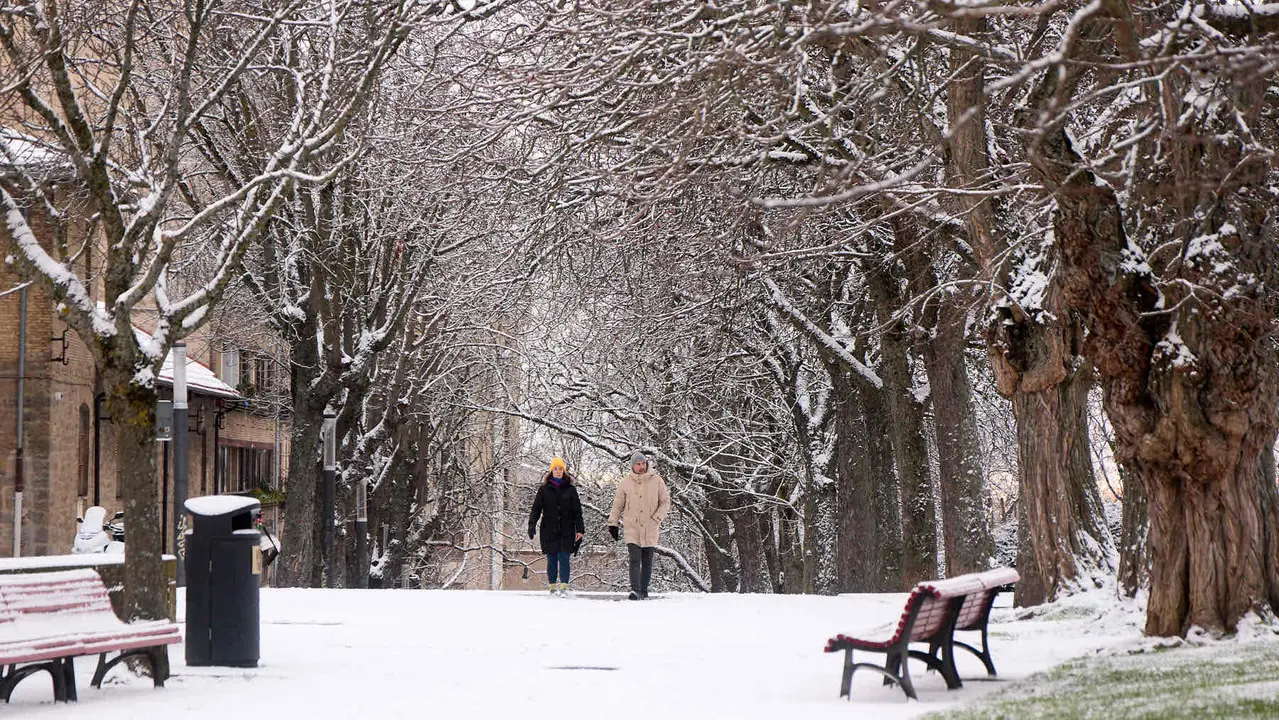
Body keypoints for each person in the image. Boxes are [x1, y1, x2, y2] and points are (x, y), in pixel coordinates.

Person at [606, 450, 670, 600]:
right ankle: (635, 590)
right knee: (635, 558)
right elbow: (618, 504)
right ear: (632, 466)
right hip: (632, 527)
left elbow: (665, 502)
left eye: (643, 463)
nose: (641, 467)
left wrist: (656, 519)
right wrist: (613, 523)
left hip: (650, 527)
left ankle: (643, 590)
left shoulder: (657, 481)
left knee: (647, 559)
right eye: (638, 464)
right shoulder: (625, 483)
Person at [528, 457, 585, 598]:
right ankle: (553, 587)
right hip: (549, 530)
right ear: (551, 471)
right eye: (555, 469)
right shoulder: (543, 490)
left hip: (566, 530)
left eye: (560, 469)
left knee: (564, 557)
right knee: (552, 558)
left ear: (564, 471)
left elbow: (577, 511)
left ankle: (564, 587)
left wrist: (580, 529)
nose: (558, 472)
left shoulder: (571, 490)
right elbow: (536, 509)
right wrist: (532, 525)